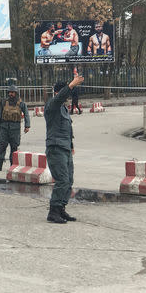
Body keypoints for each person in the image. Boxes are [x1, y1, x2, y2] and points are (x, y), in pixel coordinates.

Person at [44, 75, 84, 224]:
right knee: (62, 180)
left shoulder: (64, 109)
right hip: (55, 148)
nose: (67, 98)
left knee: (69, 180)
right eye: (65, 94)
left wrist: (71, 146)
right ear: (58, 93)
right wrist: (72, 84)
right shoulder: (52, 105)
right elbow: (60, 97)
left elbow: (68, 128)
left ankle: (61, 207)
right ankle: (53, 211)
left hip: (65, 148)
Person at [0, 85, 30, 171]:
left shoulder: (21, 103)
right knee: (2, 146)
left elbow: (26, 114)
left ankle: (12, 166)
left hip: (15, 129)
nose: (11, 94)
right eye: (10, 92)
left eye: (13, 92)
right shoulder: (4, 102)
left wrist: (27, 125)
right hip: (4, 128)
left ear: (16, 93)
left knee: (14, 148)